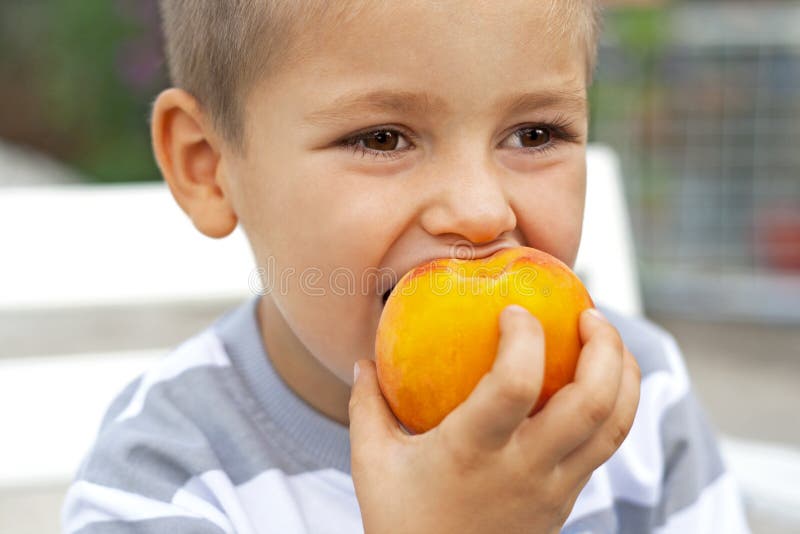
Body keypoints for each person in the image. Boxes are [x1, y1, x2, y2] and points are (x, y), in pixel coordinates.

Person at [61, 1, 751, 532]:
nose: (481, 211)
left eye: (534, 133)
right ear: (209, 169)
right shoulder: (164, 474)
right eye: (382, 137)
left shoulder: (638, 401)